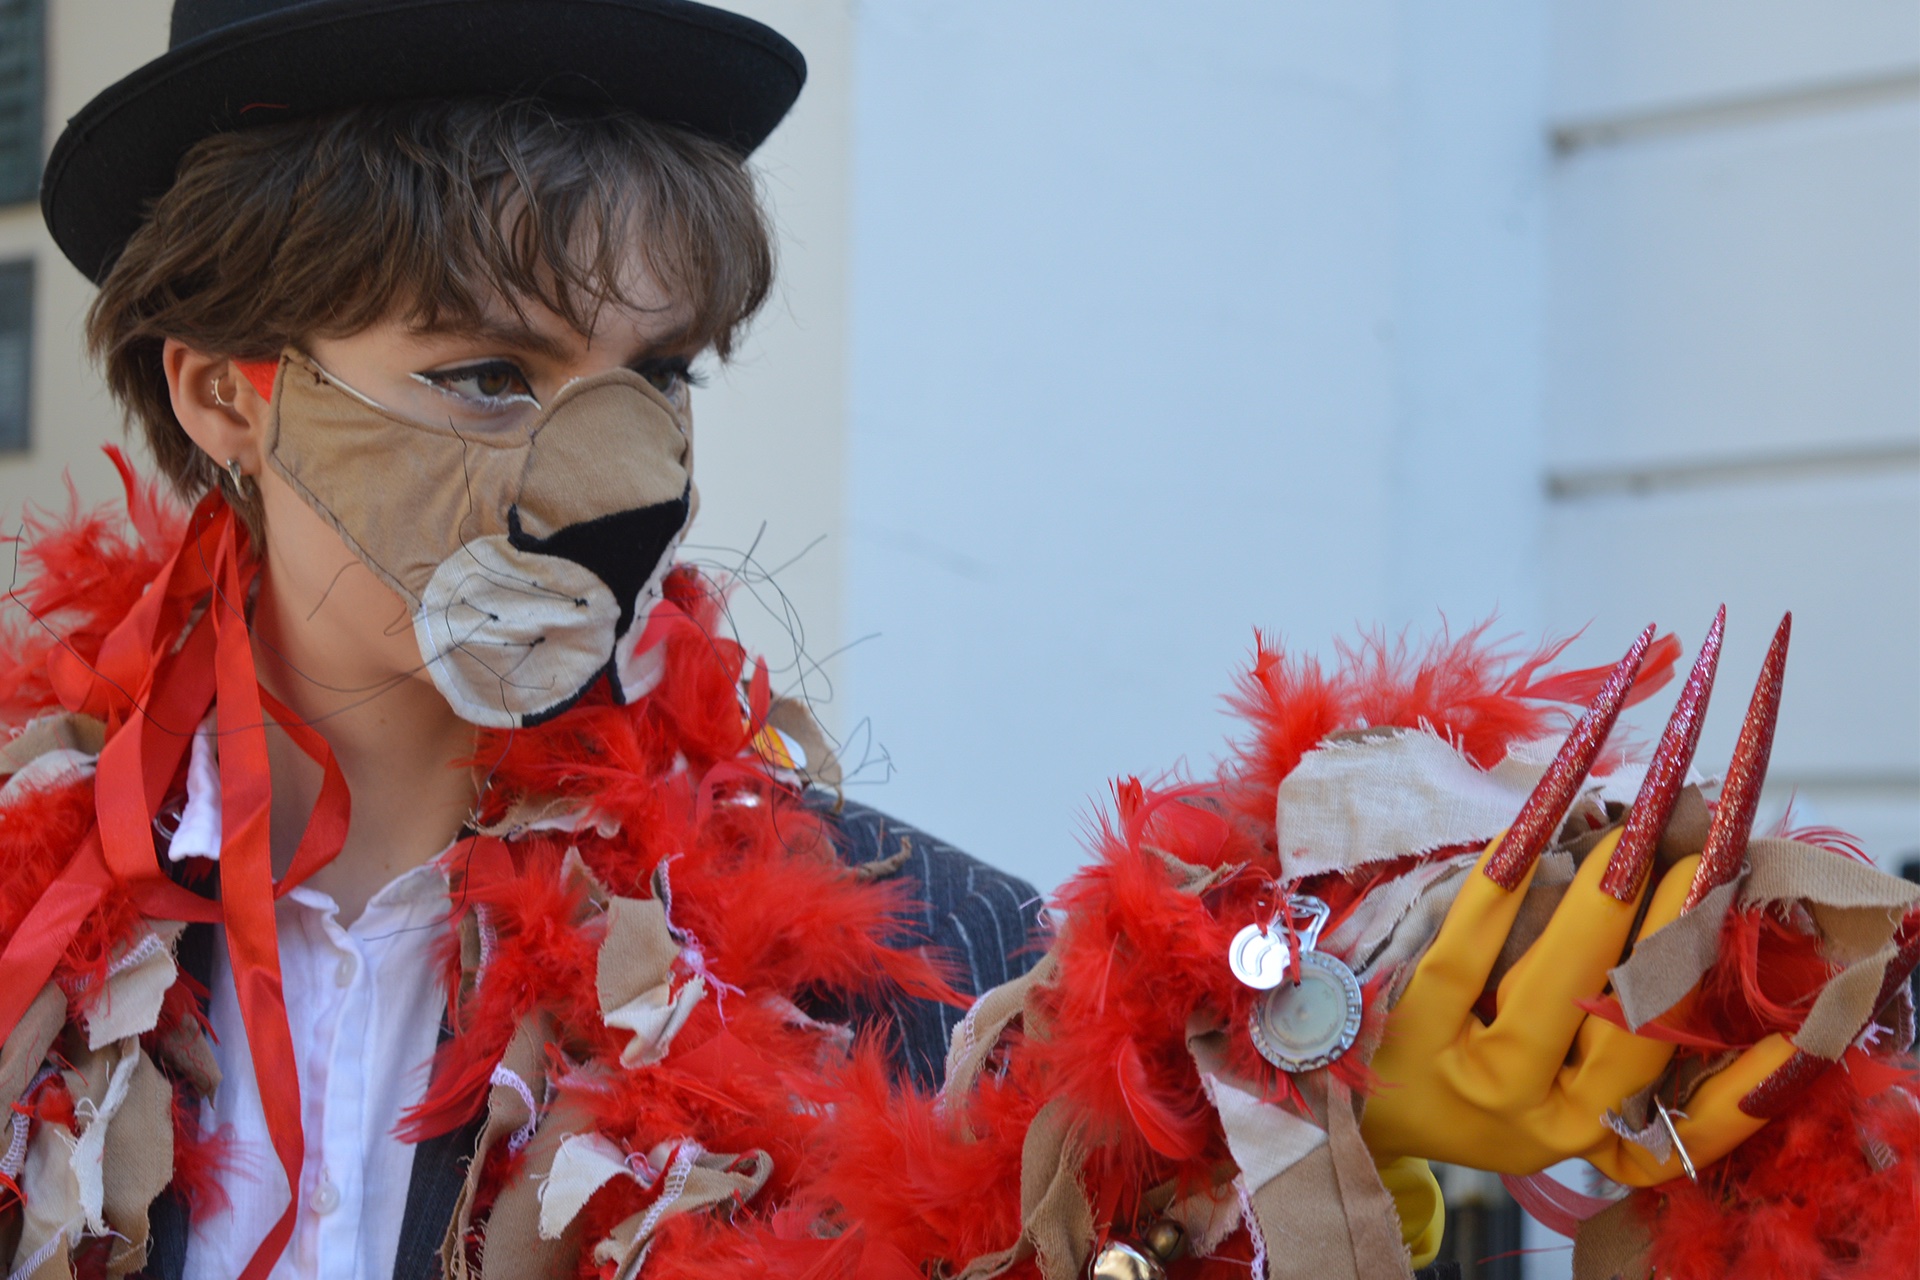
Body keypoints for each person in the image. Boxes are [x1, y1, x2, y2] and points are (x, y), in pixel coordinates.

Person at [1, 3, 1913, 1279]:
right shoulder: (29, 950)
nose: (610, 482)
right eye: (485, 377)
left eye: (656, 377)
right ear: (225, 391)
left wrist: (1248, 1136)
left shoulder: (934, 975)